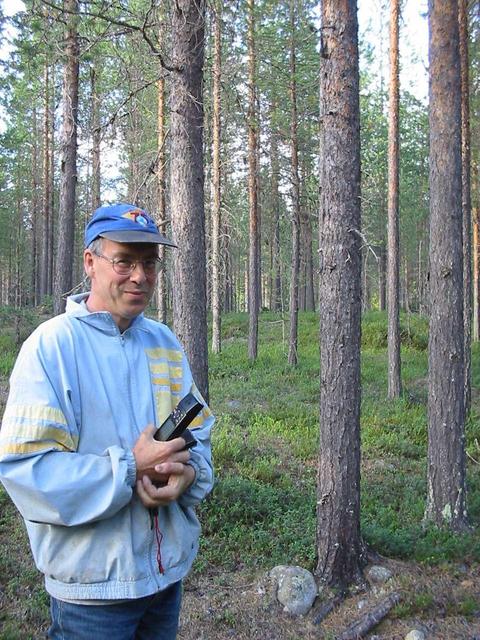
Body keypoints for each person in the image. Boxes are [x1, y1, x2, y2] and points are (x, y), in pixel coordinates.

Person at [0, 203, 214, 640]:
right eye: (125, 261)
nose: (140, 276)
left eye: (150, 263)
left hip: (165, 581)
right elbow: (26, 471)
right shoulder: (51, 348)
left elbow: (199, 436)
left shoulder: (165, 344)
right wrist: (130, 468)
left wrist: (188, 475)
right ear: (90, 262)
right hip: (92, 595)